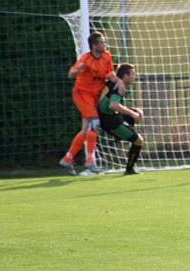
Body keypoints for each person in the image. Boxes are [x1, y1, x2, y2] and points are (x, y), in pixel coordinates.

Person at [60, 31, 125, 176]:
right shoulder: (85, 59)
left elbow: (109, 74)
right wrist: (78, 70)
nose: (104, 44)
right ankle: (90, 161)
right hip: (82, 94)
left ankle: (67, 158)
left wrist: (119, 81)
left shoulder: (106, 56)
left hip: (94, 96)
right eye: (102, 43)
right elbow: (70, 74)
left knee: (86, 130)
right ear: (94, 46)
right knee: (95, 123)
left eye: (104, 42)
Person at [96, 63, 144, 175]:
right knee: (139, 141)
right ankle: (129, 169)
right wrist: (132, 113)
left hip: (111, 115)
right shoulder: (119, 87)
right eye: (132, 74)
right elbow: (113, 106)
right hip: (109, 120)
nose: (134, 76)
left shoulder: (115, 81)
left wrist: (134, 113)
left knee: (138, 113)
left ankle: (122, 134)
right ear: (125, 76)